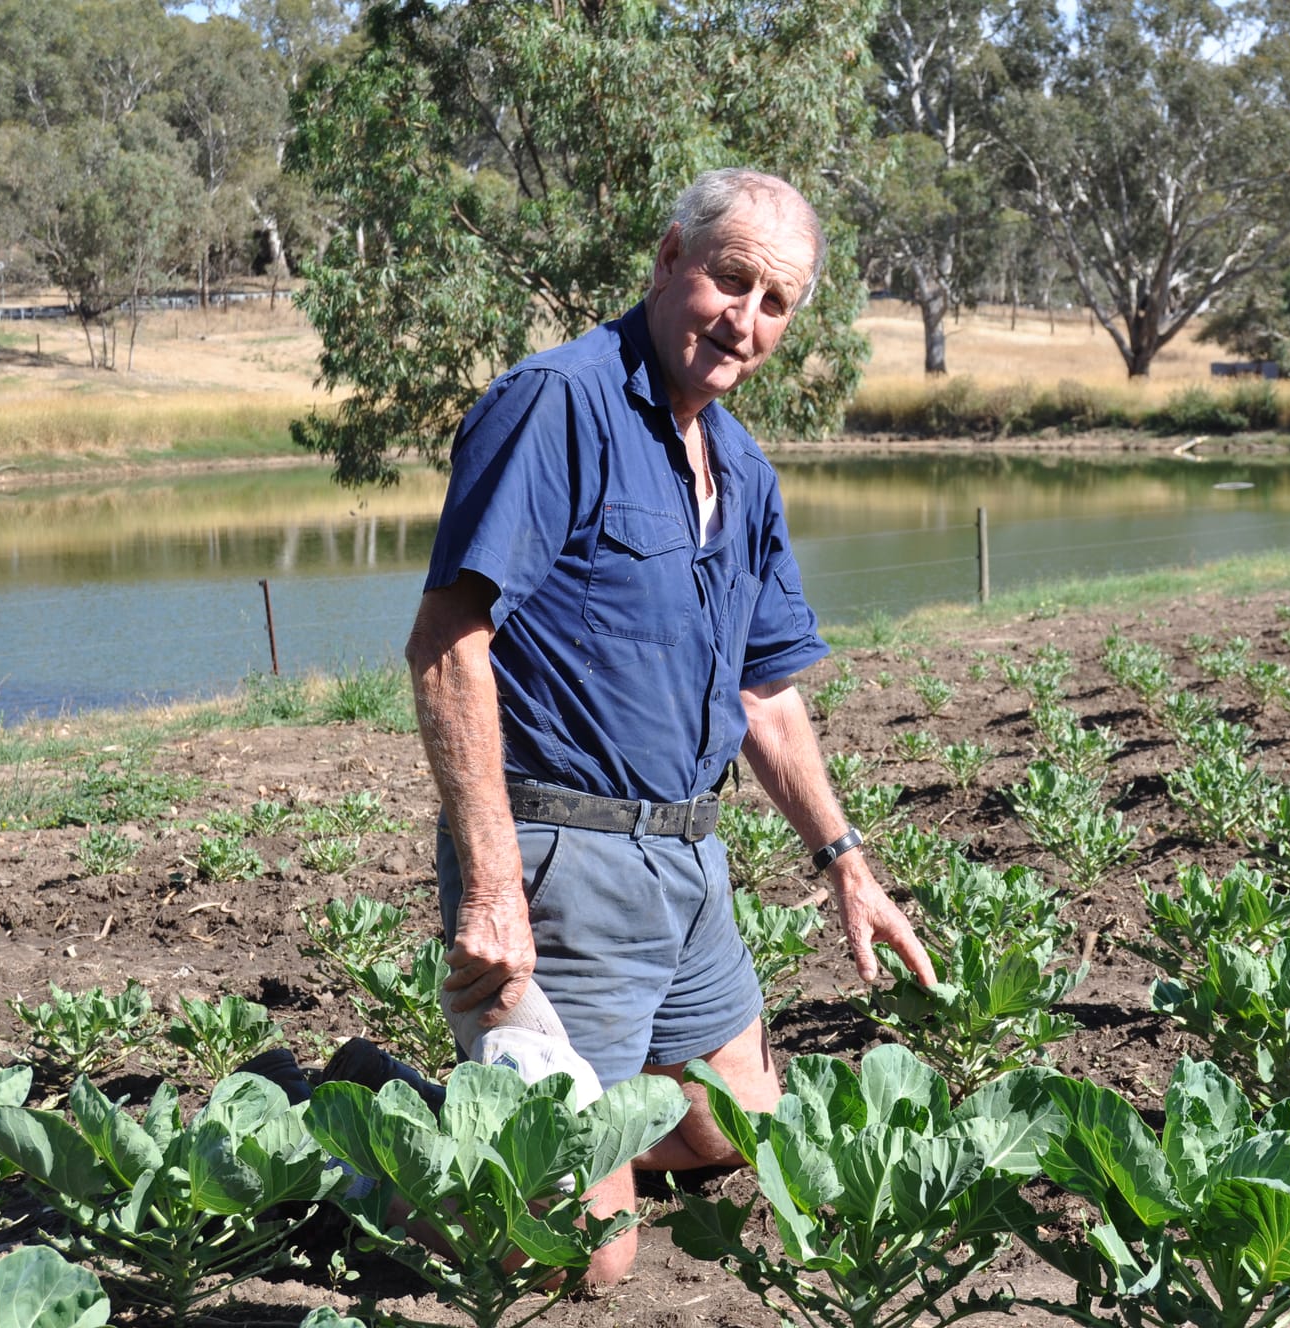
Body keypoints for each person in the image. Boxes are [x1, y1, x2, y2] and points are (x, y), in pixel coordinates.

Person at [403, 167, 935, 1283]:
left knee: (733, 1131)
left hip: (688, 865)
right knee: (583, 1263)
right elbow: (449, 643)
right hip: (561, 858)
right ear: (666, 259)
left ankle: (535, 1125)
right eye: (727, 279)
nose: (743, 319)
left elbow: (763, 693)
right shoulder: (559, 404)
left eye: (774, 301)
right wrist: (492, 884)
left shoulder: (739, 467)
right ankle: (383, 1133)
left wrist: (843, 859)